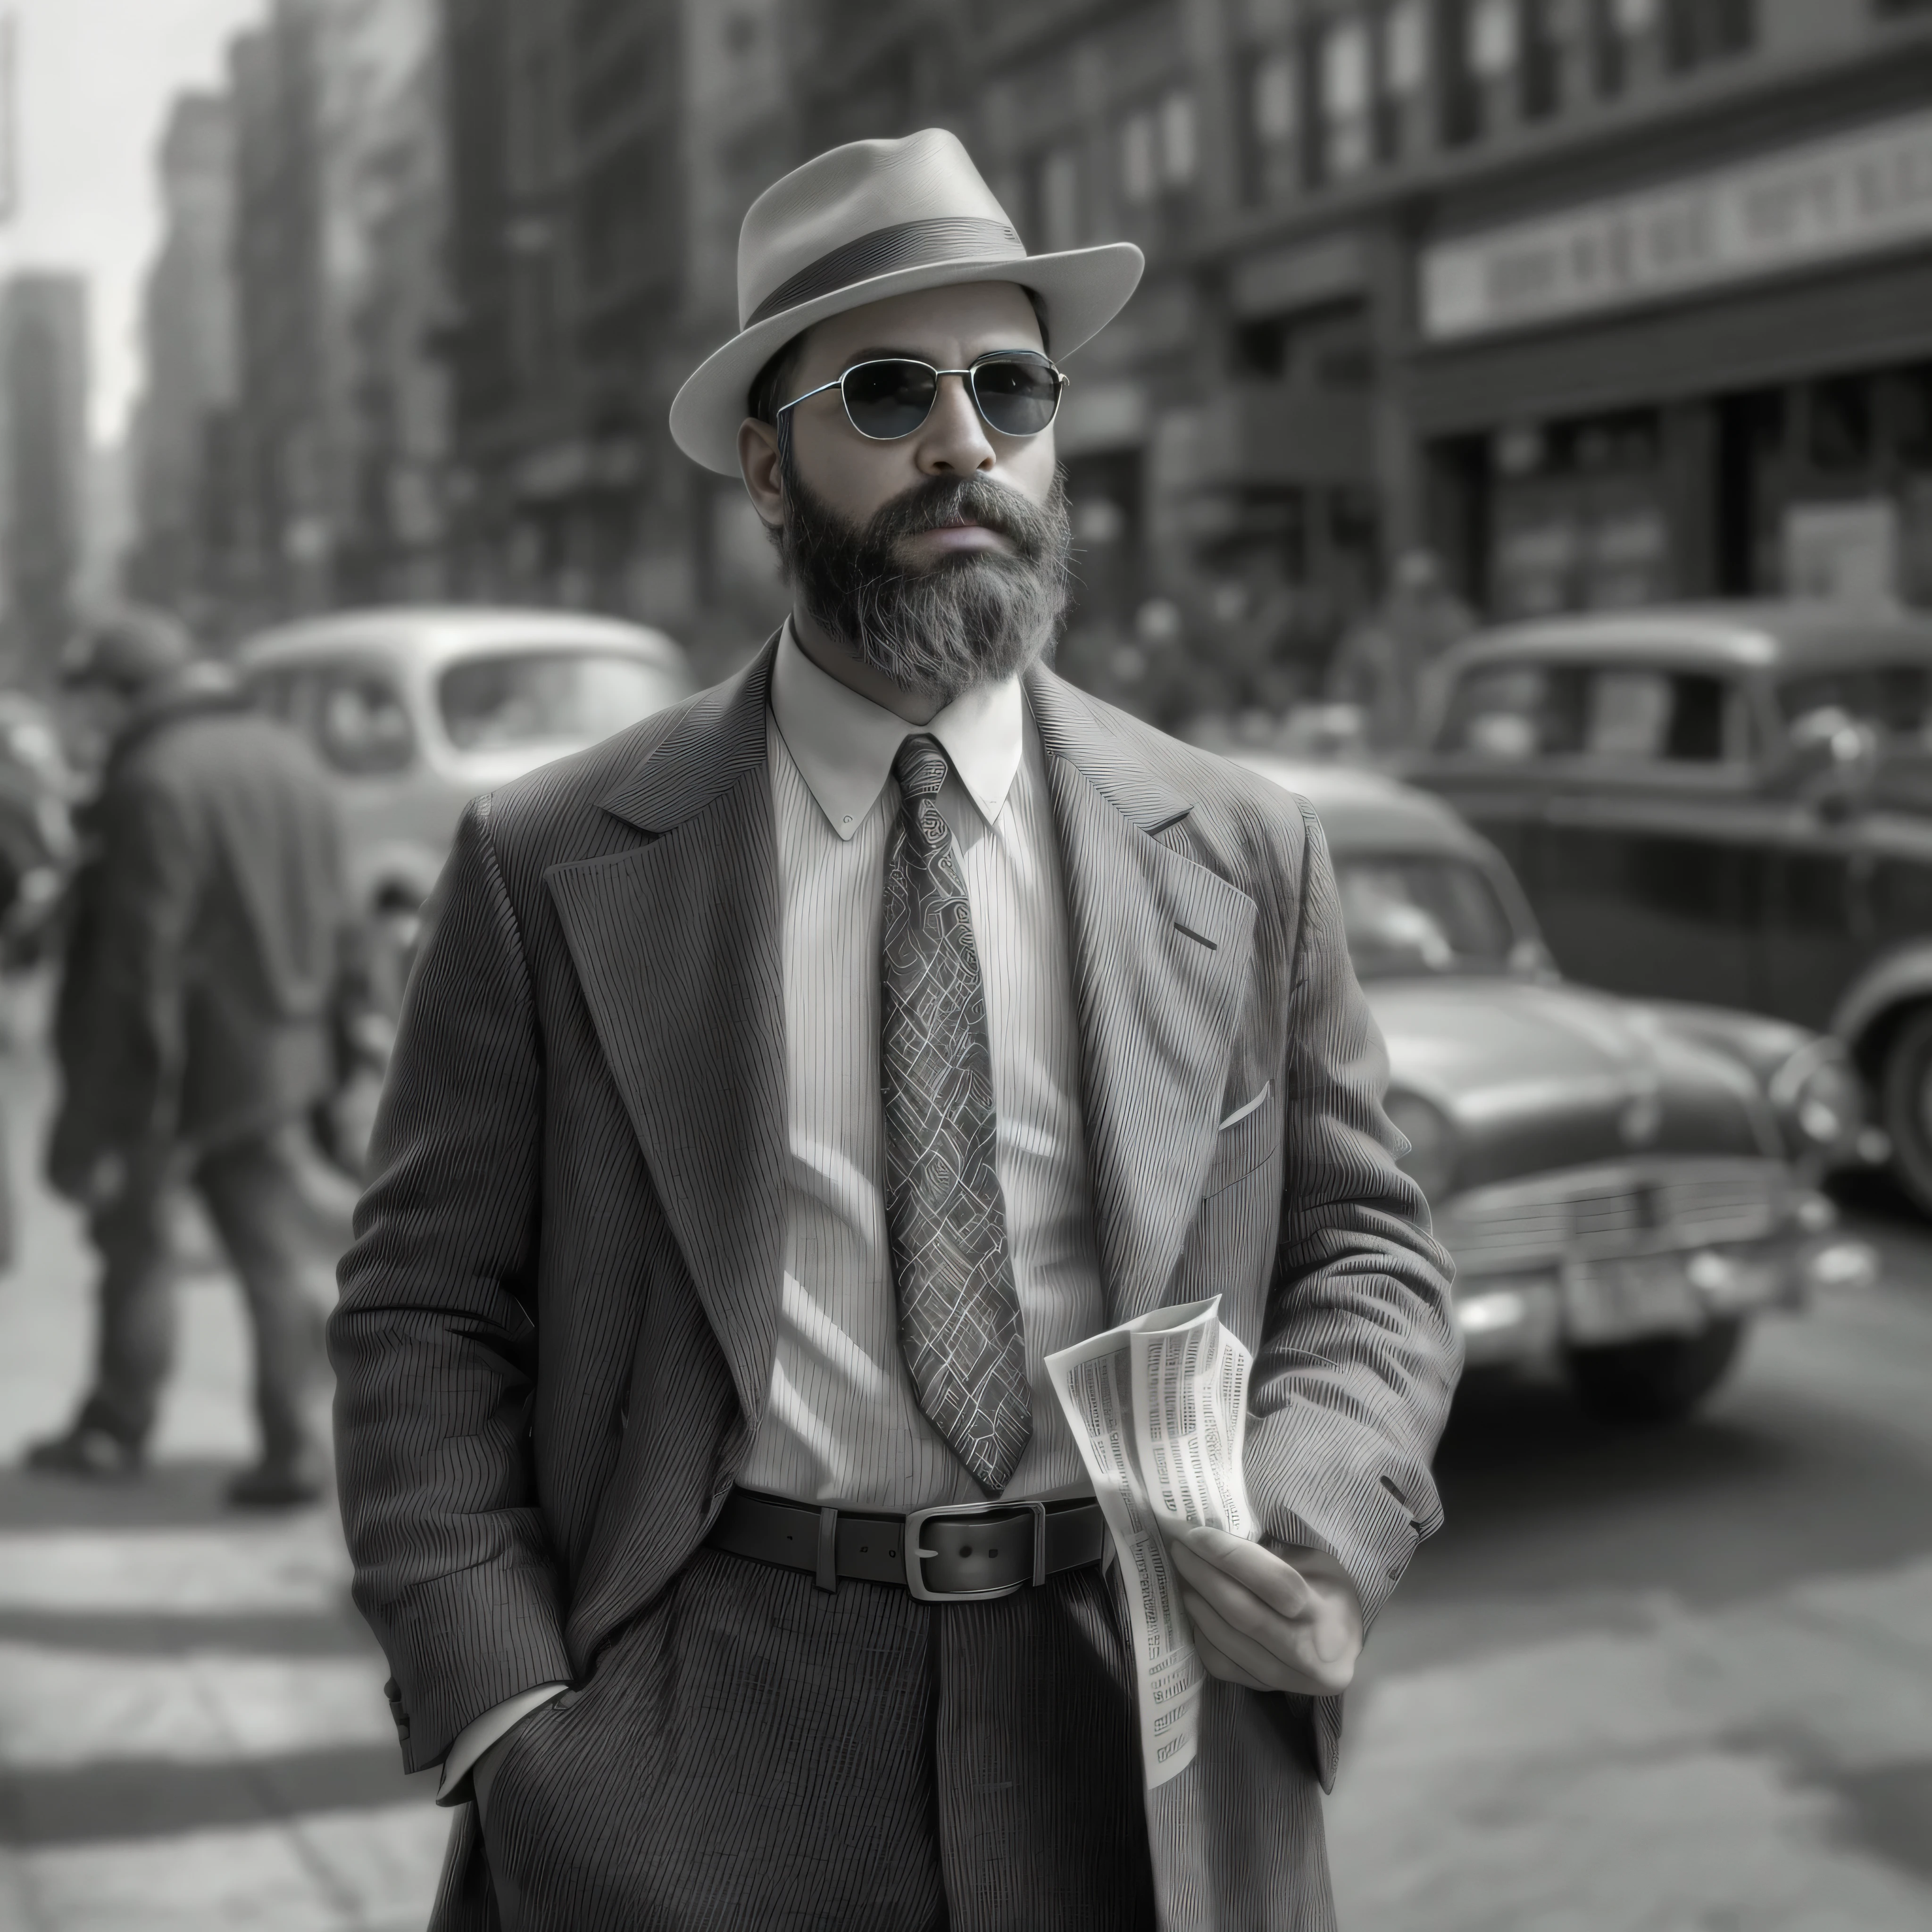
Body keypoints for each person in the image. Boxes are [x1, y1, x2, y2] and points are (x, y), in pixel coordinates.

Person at [332, 131, 1458, 1931]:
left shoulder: (1244, 847)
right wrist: (513, 1713)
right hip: (700, 1737)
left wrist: (1309, 1519)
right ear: (769, 469)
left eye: (1010, 386)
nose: (964, 441)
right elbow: (421, 1314)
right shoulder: (546, 864)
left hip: (1136, 1727)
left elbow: (1366, 1251)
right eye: (888, 391)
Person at [27, 607, 350, 1507]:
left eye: (86, 700)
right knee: (272, 1258)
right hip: (281, 1056)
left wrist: (118, 1112)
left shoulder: (153, 780)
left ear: (123, 696)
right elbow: (343, 924)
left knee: (137, 1246)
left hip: (178, 1069)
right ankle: (294, 1449)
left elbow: (143, 966)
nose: (80, 722)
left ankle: (114, 1427)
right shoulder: (288, 757)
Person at [1325, 548, 1477, 752]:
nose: (1417, 607)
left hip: (1449, 760)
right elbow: (1342, 701)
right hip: (1383, 758)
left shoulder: (1459, 635)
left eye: (1427, 595)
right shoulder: (1369, 642)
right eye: (1407, 594)